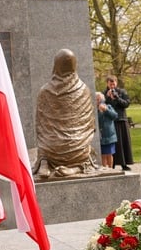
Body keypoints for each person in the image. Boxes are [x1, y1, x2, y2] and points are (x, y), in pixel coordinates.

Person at [33, 49, 97, 178]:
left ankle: (45, 162)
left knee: (46, 138)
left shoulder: (45, 91)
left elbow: (40, 125)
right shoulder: (84, 90)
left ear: (55, 66)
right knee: (86, 148)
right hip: (78, 149)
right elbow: (89, 123)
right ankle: (77, 166)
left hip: (50, 149)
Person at [103, 75, 133, 171]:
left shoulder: (122, 92)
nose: (112, 85)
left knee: (123, 143)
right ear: (107, 83)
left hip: (121, 119)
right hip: (111, 122)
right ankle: (113, 164)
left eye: (114, 83)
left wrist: (117, 98)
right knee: (114, 144)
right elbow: (103, 107)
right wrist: (108, 98)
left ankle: (124, 164)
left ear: (116, 83)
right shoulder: (104, 94)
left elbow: (126, 104)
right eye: (110, 83)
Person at [95, 92, 118, 169]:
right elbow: (98, 121)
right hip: (101, 136)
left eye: (99, 99)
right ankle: (104, 168)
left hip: (109, 135)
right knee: (103, 154)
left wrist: (106, 110)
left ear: (102, 100)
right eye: (96, 100)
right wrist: (100, 112)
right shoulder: (95, 111)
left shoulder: (108, 106)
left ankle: (111, 168)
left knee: (109, 153)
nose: (98, 101)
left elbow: (115, 116)